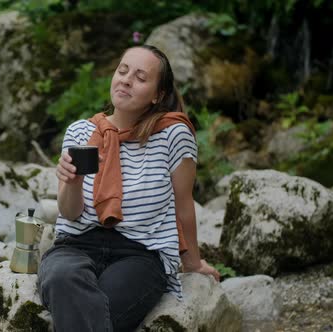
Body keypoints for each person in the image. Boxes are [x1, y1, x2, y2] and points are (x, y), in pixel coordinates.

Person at [38, 45, 220, 332]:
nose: (125, 80)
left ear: (158, 94)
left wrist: (193, 263)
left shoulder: (173, 135)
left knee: (100, 303)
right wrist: (72, 182)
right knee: (62, 278)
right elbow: (70, 212)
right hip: (76, 244)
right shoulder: (80, 132)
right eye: (122, 71)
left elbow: (183, 204)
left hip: (139, 254)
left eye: (140, 77)